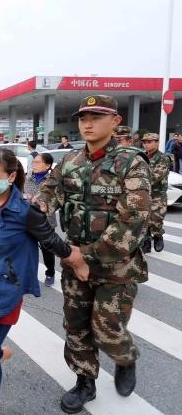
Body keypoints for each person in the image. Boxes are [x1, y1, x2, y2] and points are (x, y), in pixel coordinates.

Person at [34, 95, 151, 413]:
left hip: (116, 264)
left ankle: (126, 358)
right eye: (84, 116)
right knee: (76, 326)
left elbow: (134, 219)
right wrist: (37, 207)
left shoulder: (132, 162)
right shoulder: (70, 161)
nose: (87, 122)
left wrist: (85, 255)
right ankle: (85, 381)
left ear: (115, 122)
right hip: (74, 261)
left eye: (97, 116)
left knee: (107, 328)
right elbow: (49, 192)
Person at [0, 149, 75, 414]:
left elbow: (50, 239)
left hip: (4, 292)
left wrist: (74, 258)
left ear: (11, 176)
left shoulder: (24, 211)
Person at [25, 152, 57, 286]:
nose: (34, 165)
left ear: (48, 165)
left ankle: (50, 273)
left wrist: (39, 201)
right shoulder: (29, 179)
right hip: (28, 219)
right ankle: (28, 274)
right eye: (34, 162)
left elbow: (56, 200)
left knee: (47, 249)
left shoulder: (52, 181)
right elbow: (23, 193)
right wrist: (25, 196)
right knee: (28, 248)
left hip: (46, 220)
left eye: (38, 162)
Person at [141, 133, 170, 253]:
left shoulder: (163, 158)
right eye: (145, 142)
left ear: (157, 142)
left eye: (150, 142)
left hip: (157, 194)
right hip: (144, 193)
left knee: (155, 219)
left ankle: (158, 235)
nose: (147, 144)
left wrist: (137, 180)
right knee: (143, 218)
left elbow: (155, 176)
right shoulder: (141, 156)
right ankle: (146, 242)